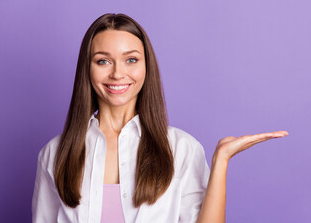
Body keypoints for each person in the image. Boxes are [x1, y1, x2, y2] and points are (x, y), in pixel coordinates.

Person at [32, 13, 288, 223]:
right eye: (103, 61)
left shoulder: (182, 149)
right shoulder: (54, 154)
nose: (118, 73)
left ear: (146, 67)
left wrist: (221, 160)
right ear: (87, 69)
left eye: (131, 59)